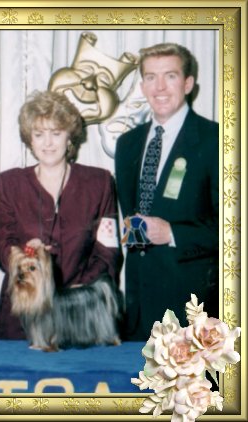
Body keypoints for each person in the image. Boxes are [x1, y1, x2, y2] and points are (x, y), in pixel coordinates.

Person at [0, 90, 123, 339]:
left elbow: (107, 250)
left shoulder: (99, 182)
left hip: (81, 317)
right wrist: (23, 255)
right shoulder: (9, 183)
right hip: (22, 317)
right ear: (29, 140)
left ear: (69, 137)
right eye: (39, 134)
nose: (48, 143)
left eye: (56, 133)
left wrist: (84, 286)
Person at [115, 43, 219, 341]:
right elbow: (131, 219)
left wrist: (173, 233)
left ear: (188, 83)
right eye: (151, 77)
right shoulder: (127, 144)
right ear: (142, 86)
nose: (159, 87)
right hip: (137, 307)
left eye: (170, 76)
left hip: (191, 309)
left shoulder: (218, 140)